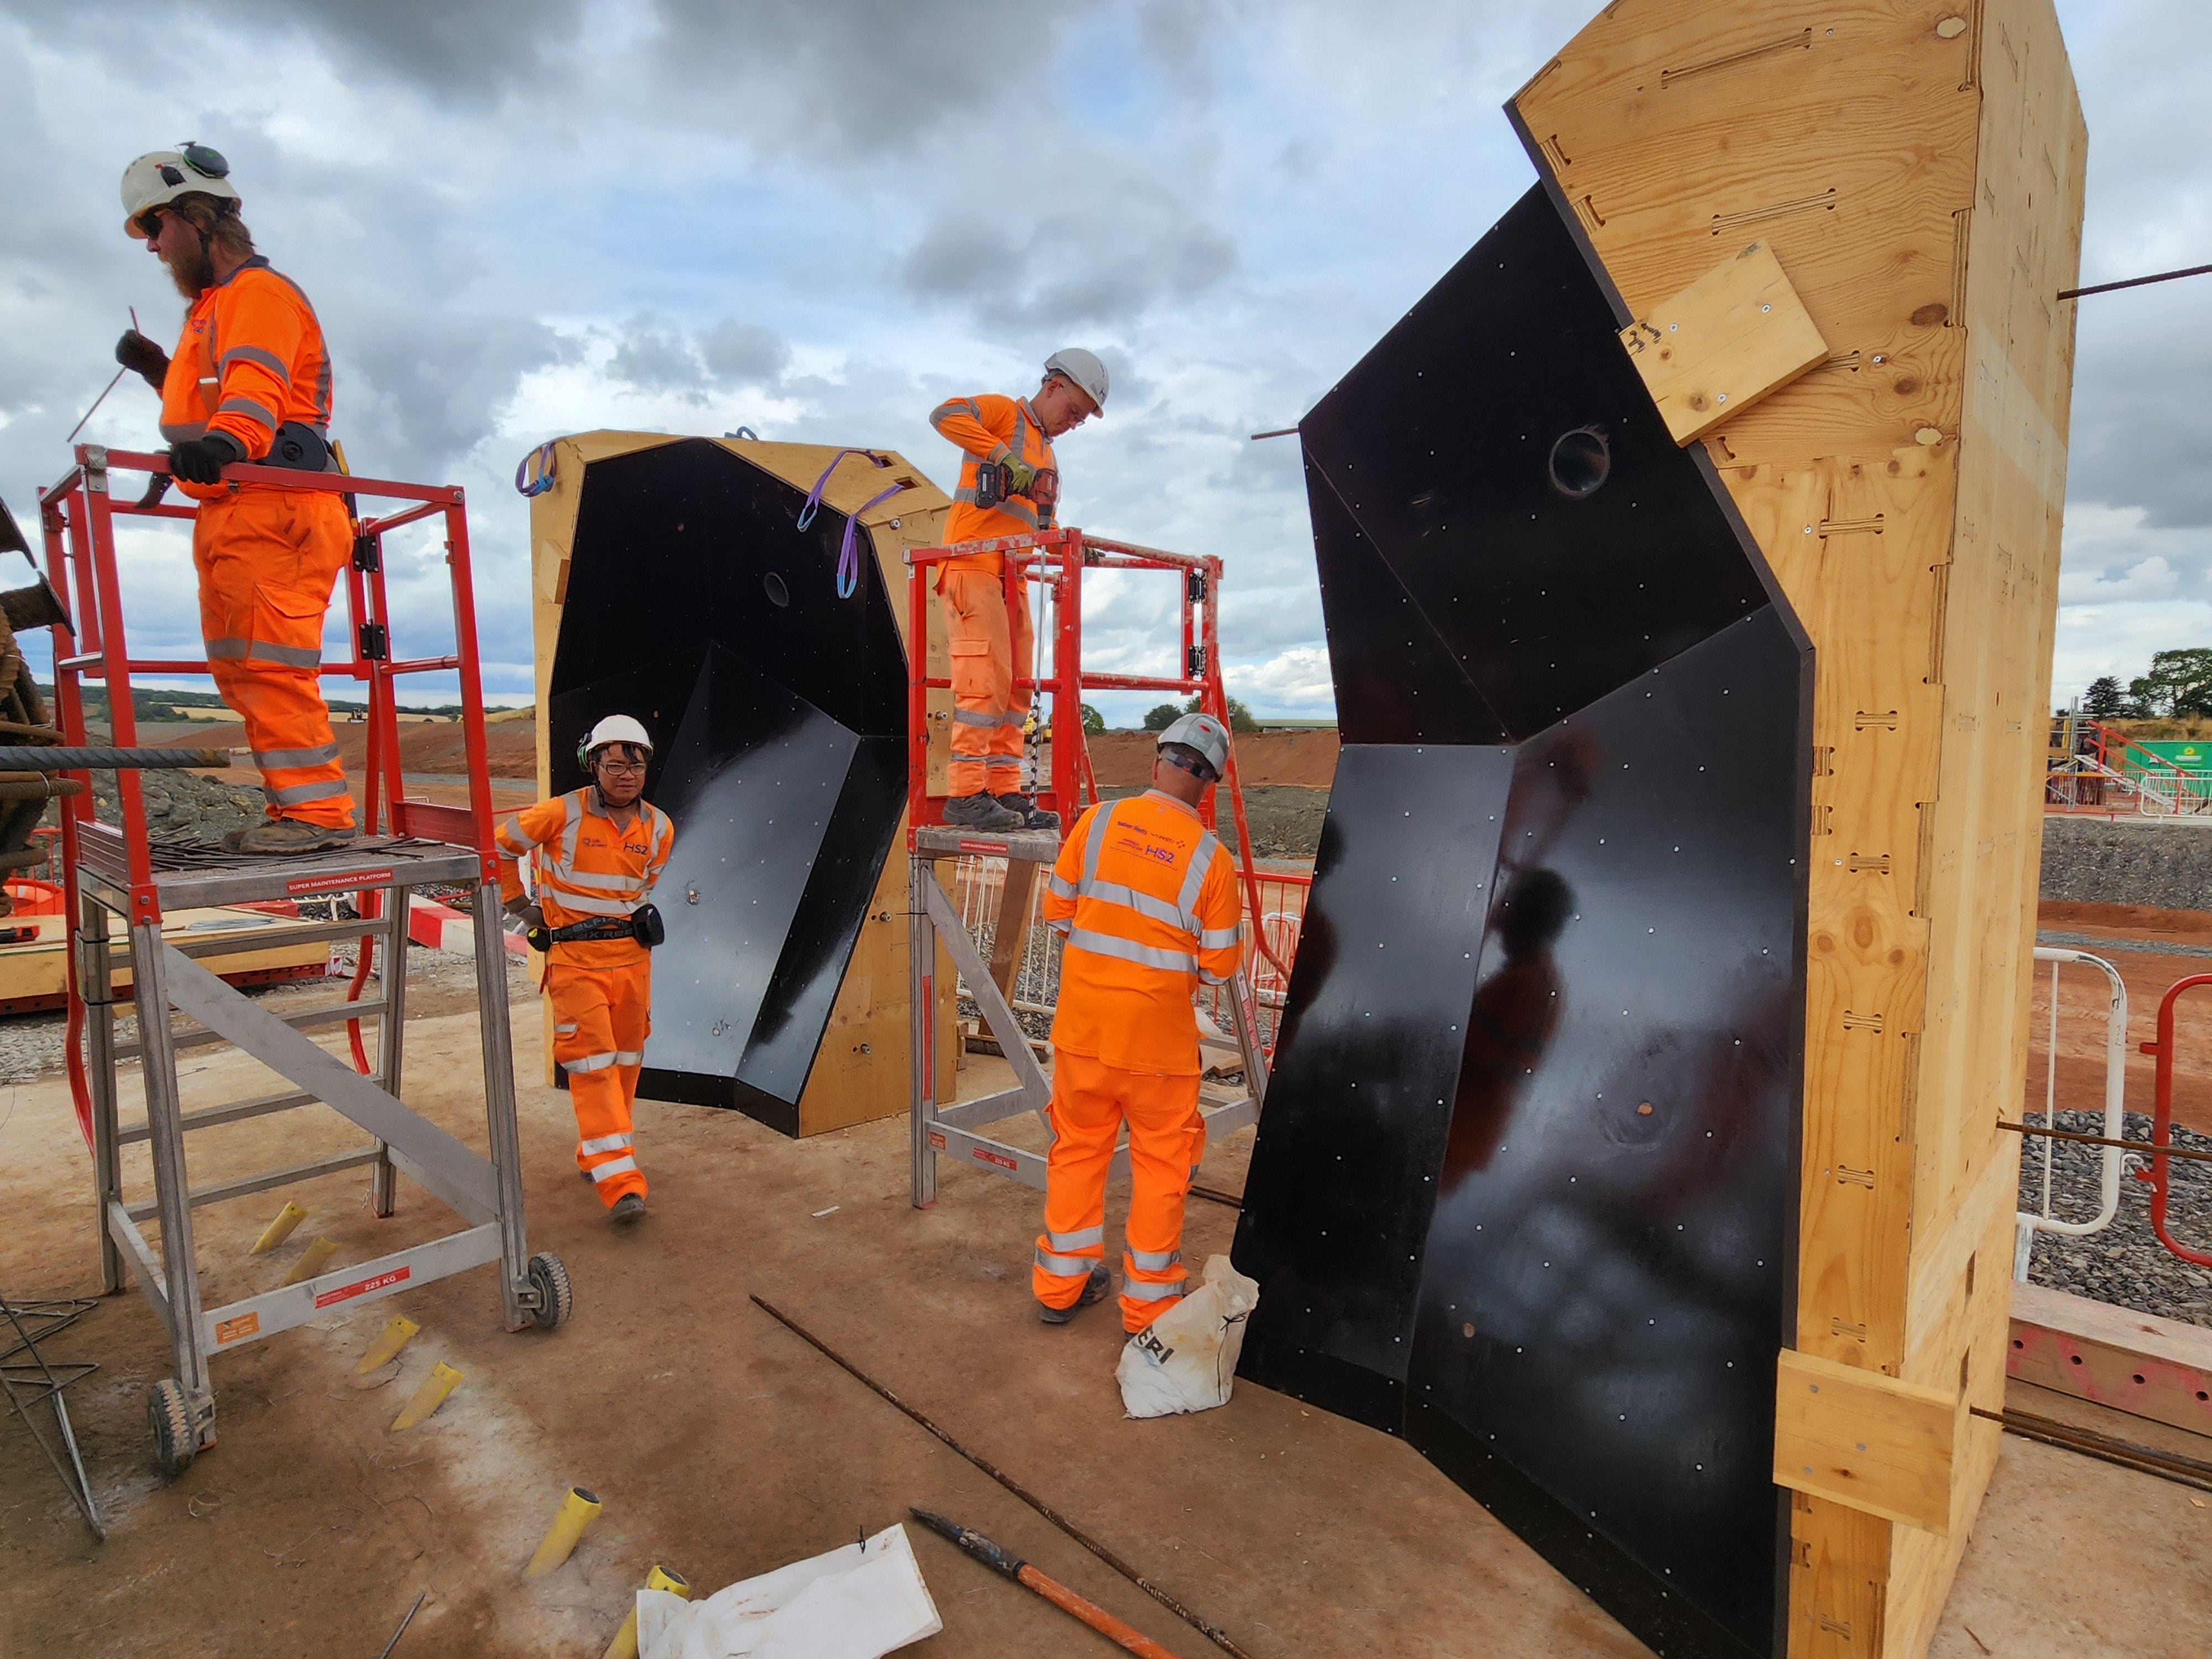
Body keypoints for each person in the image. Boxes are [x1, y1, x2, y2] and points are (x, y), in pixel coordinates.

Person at [112, 144, 357, 854]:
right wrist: (159, 369)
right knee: (244, 671)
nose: (154, 246)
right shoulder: (213, 309)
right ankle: (296, 812)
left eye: (155, 227)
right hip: (238, 509)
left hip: (275, 505)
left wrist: (225, 446)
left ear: (194, 217)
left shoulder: (257, 295)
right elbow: (208, 408)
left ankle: (319, 819)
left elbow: (255, 388)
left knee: (272, 669)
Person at [1032, 712, 1242, 1329]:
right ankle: (1147, 1305)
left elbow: (1058, 915)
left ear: (1158, 760)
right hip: (1158, 1050)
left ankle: (1057, 1290)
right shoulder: (1212, 860)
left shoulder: (1095, 824)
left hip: (1082, 1035)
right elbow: (1219, 969)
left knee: (1076, 1152)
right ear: (1209, 785)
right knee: (1160, 1167)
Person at [495, 717, 674, 1224]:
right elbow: (500, 846)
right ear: (592, 765)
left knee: (626, 1061)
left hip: (633, 963)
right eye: (614, 763)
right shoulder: (560, 813)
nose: (626, 774)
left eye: (635, 763)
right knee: (593, 1064)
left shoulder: (659, 827)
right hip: (575, 962)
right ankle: (620, 1182)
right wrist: (520, 905)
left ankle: (596, 1153)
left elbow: (643, 889)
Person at [927, 349, 1110, 833]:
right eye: (1074, 411)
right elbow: (944, 414)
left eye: (1082, 419)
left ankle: (1005, 788)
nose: (1074, 423)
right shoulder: (1003, 414)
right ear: (1053, 386)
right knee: (984, 681)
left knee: (1018, 686)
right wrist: (1002, 457)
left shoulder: (1049, 459)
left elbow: (1038, 529)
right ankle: (966, 794)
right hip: (971, 563)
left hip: (1014, 577)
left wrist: (1070, 546)